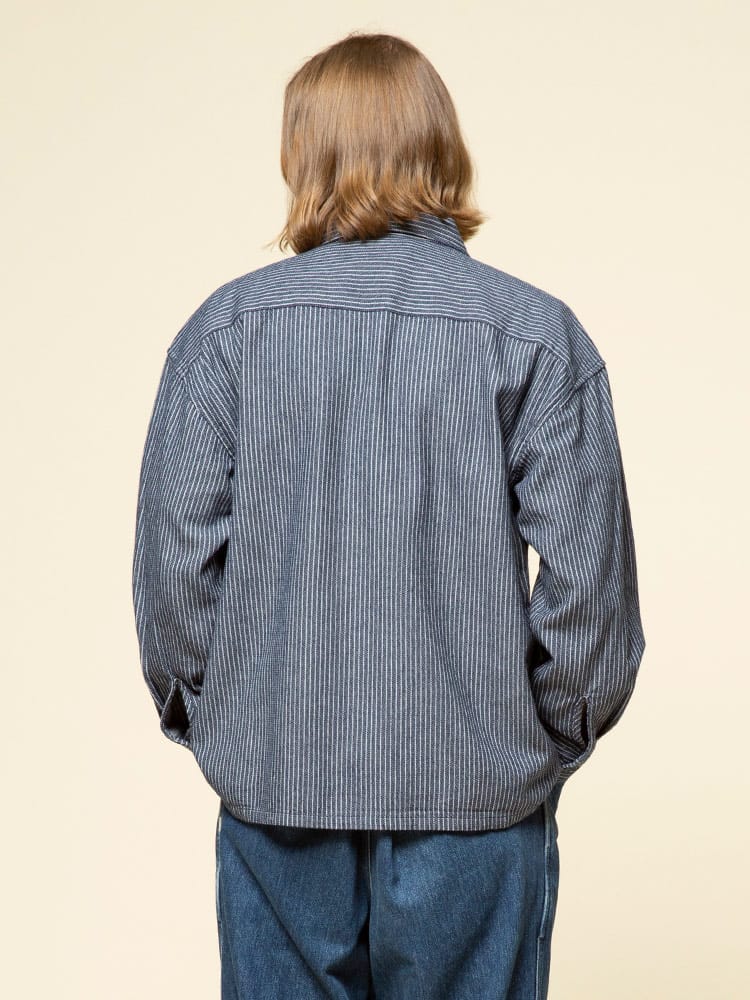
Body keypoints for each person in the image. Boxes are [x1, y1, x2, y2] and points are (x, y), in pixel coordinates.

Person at [131, 30, 646, 1000]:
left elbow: (175, 579)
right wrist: (531, 739)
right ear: (442, 144)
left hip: (279, 791)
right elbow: (590, 588)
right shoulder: (533, 334)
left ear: (302, 152)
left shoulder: (226, 334)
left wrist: (236, 724)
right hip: (476, 798)